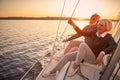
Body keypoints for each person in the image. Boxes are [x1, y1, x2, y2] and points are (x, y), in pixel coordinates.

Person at [42, 19, 117, 77]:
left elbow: (114, 46)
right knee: (67, 56)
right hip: (86, 54)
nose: (98, 26)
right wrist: (73, 25)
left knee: (83, 45)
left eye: (101, 25)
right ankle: (53, 71)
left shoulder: (108, 37)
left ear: (106, 27)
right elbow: (82, 33)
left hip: (94, 59)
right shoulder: (95, 33)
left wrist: (103, 52)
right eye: (98, 24)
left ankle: (75, 65)